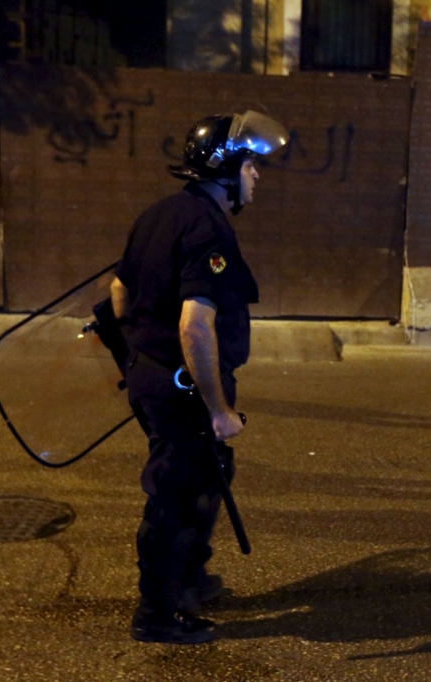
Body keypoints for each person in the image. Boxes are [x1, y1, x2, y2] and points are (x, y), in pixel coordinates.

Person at [109, 110, 288, 643]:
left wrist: (140, 356)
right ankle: (158, 615)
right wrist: (217, 409)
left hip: (153, 376)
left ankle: (188, 579)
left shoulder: (159, 214)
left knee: (208, 475)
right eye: (252, 166)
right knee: (176, 496)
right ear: (227, 169)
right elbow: (196, 328)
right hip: (183, 390)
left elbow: (120, 292)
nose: (258, 176)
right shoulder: (209, 228)